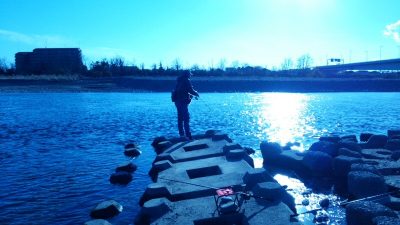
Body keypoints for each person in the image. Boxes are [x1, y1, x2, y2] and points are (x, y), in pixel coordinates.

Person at [172, 70, 199, 140]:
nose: (190, 76)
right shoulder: (186, 80)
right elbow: (190, 90)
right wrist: (197, 94)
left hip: (177, 101)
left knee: (180, 118)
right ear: (187, 75)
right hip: (182, 102)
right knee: (186, 118)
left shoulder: (179, 80)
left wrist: (190, 95)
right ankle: (189, 136)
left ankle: (182, 135)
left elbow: (183, 91)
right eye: (190, 74)